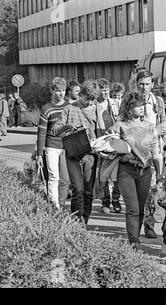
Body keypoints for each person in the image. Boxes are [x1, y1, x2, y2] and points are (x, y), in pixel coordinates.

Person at [105, 92, 163, 250]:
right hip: (126, 170)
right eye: (137, 106)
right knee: (133, 208)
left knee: (141, 206)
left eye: (143, 105)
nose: (141, 108)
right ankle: (134, 242)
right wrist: (116, 148)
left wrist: (159, 173)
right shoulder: (120, 125)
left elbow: (155, 151)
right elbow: (105, 142)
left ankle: (135, 237)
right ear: (129, 108)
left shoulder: (150, 126)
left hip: (145, 170)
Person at [52, 79, 99, 225]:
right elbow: (54, 130)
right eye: (87, 99)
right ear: (81, 95)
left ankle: (85, 219)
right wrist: (66, 126)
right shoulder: (69, 109)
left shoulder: (97, 109)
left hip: (90, 155)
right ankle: (78, 223)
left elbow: (103, 132)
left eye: (92, 100)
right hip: (73, 155)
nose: (89, 103)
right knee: (78, 190)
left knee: (89, 192)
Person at [134, 70, 166, 239]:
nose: (144, 87)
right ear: (137, 84)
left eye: (147, 84)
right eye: (141, 83)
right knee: (138, 191)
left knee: (152, 189)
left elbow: (164, 125)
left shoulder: (158, 101)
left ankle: (149, 225)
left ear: (152, 85)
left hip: (154, 151)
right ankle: (135, 222)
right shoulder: (130, 101)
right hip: (135, 151)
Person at [36, 77, 70, 210]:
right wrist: (39, 154)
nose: (61, 93)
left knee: (65, 179)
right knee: (53, 176)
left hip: (66, 146)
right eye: (58, 90)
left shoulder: (69, 106)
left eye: (63, 90)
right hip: (51, 146)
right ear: (52, 90)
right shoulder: (47, 109)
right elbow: (41, 133)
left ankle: (61, 204)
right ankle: (54, 205)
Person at [96, 78, 123, 214]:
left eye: (107, 90)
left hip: (115, 141)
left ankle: (116, 200)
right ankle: (105, 201)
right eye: (102, 90)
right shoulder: (94, 105)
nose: (105, 93)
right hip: (101, 142)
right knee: (103, 174)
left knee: (117, 174)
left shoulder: (115, 103)